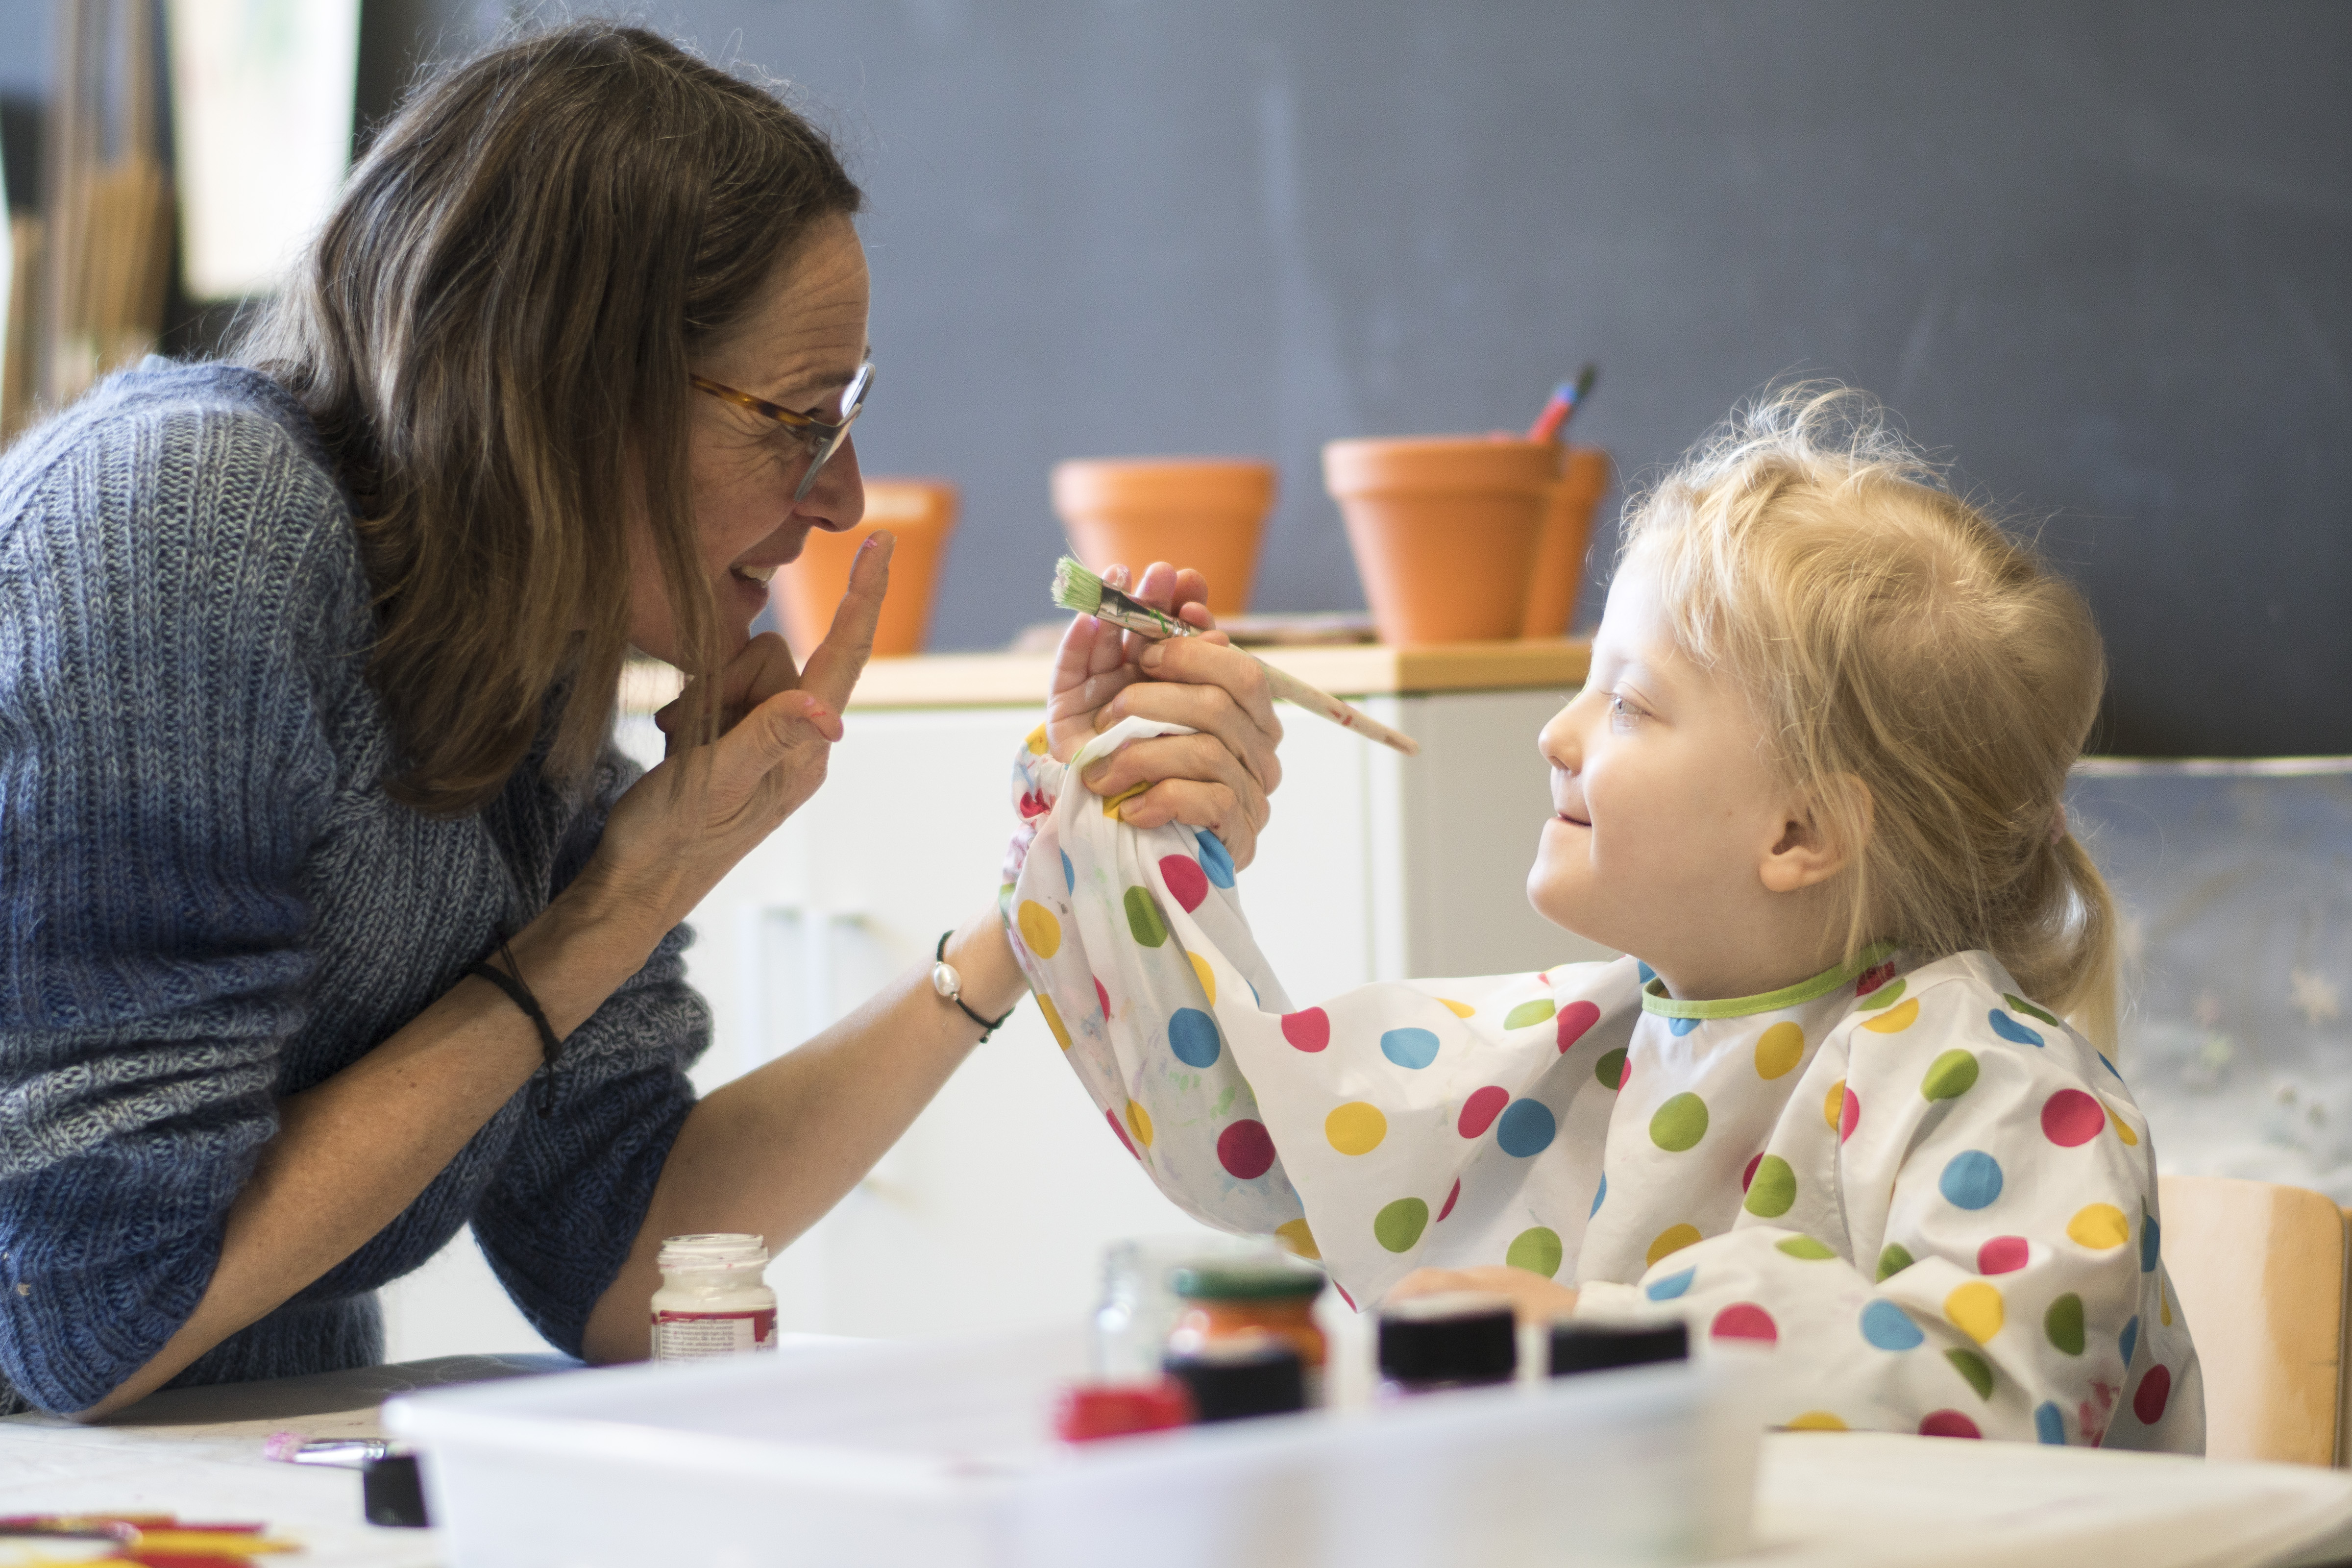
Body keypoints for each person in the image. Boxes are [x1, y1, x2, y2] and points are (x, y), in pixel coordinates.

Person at [0, 23, 1279, 1420]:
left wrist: (1049, 904)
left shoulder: (522, 659)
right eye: (796, 417)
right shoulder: (194, 528)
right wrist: (626, 898)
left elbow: (618, 1267)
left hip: (200, 1464)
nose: (842, 495)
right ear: (559, 385)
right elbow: (92, 1313)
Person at [1005, 385, 2203, 1449]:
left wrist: (1601, 1334)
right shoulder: (1589, 1039)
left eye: (1627, 703)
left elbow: (1992, 1384)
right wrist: (1112, 803)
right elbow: (1244, 1129)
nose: (1556, 735)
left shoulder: (2004, 1091)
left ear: (1802, 835)